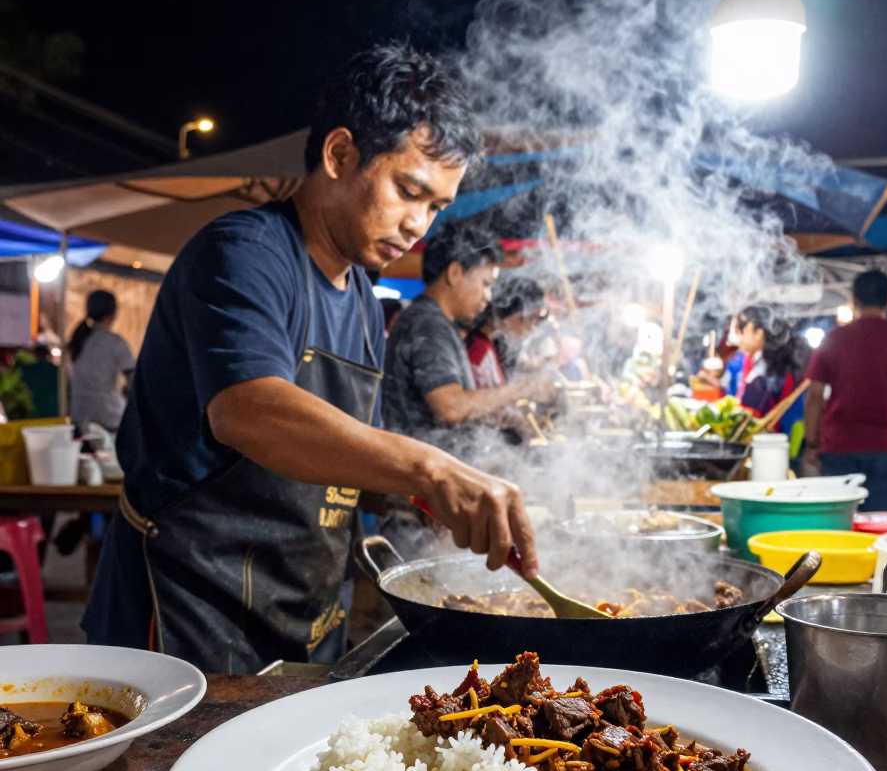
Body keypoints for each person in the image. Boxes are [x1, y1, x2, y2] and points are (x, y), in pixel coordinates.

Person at [83, 43, 540, 673]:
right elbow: (249, 410)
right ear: (339, 154)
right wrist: (429, 469)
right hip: (191, 612)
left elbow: (340, 458)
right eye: (409, 191)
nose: (420, 227)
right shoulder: (245, 253)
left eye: (436, 206)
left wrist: (429, 505)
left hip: (303, 612)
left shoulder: (359, 295)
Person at [383, 221, 554, 453]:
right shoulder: (427, 324)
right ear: (455, 273)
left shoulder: (437, 323)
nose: (488, 297)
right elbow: (450, 407)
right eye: (486, 283)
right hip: (421, 476)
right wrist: (524, 388)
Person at [803, 270, 887, 512]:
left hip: (838, 447)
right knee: (879, 527)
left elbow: (814, 397)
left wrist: (811, 444)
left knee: (839, 527)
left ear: (853, 299)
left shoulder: (833, 338)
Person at [68, 290, 136, 432]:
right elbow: (133, 382)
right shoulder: (116, 342)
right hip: (108, 419)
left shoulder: (79, 340)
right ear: (113, 313)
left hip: (79, 418)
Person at [731, 305, 801, 419]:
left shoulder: (766, 371)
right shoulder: (757, 363)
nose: (738, 339)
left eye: (741, 332)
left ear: (758, 333)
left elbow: (751, 414)